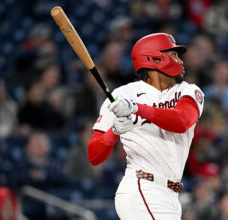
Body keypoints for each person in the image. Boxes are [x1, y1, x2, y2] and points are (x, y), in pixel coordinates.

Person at [87, 33, 204, 219]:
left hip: (171, 195)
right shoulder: (123, 94)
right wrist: (114, 132)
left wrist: (136, 108)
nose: (180, 61)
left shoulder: (188, 90)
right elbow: (94, 155)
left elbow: (181, 121)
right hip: (142, 186)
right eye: (173, 55)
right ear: (154, 58)